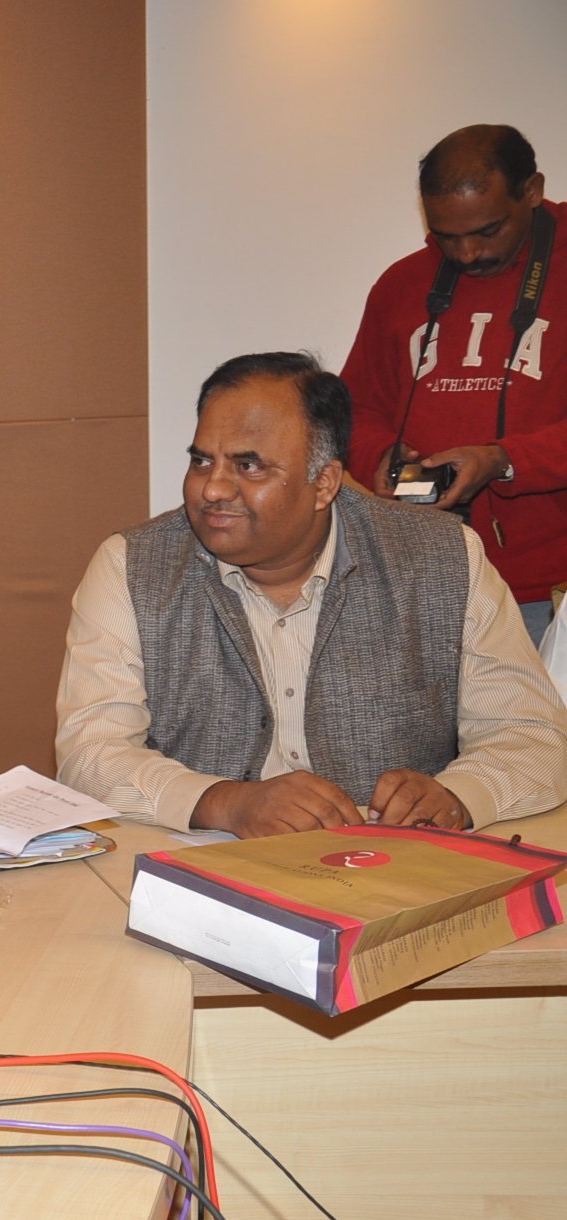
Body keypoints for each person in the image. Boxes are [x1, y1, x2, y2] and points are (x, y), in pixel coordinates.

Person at [57, 352, 567, 839]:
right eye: (201, 461)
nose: (212, 489)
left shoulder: (443, 558)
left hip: (392, 873)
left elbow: (532, 739)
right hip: (205, 873)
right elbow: (91, 752)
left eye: (249, 465)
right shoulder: (131, 566)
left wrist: (456, 796)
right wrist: (224, 802)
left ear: (324, 484)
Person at [341, 124, 566, 646]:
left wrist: (504, 460)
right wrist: (380, 456)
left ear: (532, 191)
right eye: (446, 235)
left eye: (487, 231)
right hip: (427, 585)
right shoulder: (401, 285)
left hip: (550, 597)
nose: (465, 253)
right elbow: (353, 409)